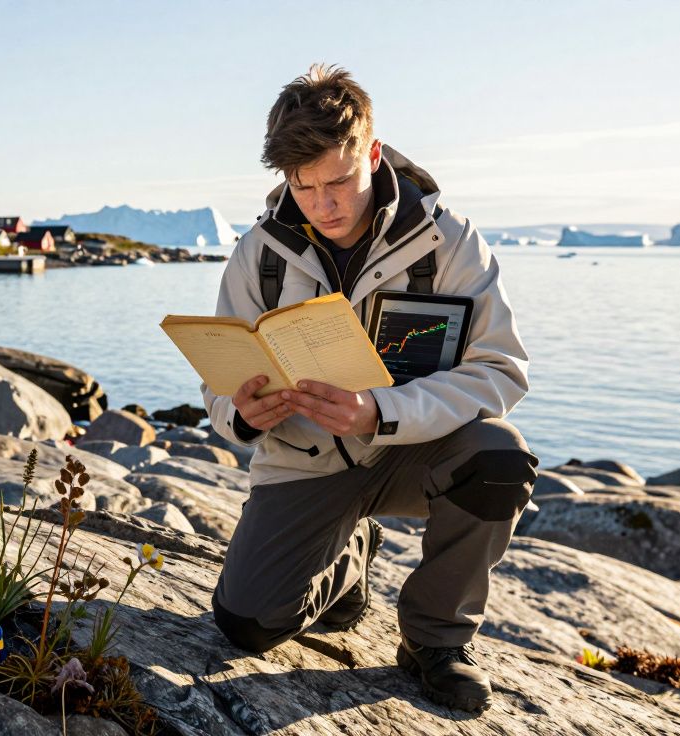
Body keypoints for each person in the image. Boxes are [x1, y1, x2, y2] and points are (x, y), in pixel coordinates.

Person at [204, 64, 539, 714]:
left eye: (339, 182)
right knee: (246, 625)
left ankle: (436, 641)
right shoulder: (257, 256)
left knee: (499, 459)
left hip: (416, 451)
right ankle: (351, 559)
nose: (324, 205)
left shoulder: (448, 240)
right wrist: (241, 415)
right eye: (304, 188)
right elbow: (219, 386)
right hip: (305, 462)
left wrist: (379, 412)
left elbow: (502, 370)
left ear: (374, 154)